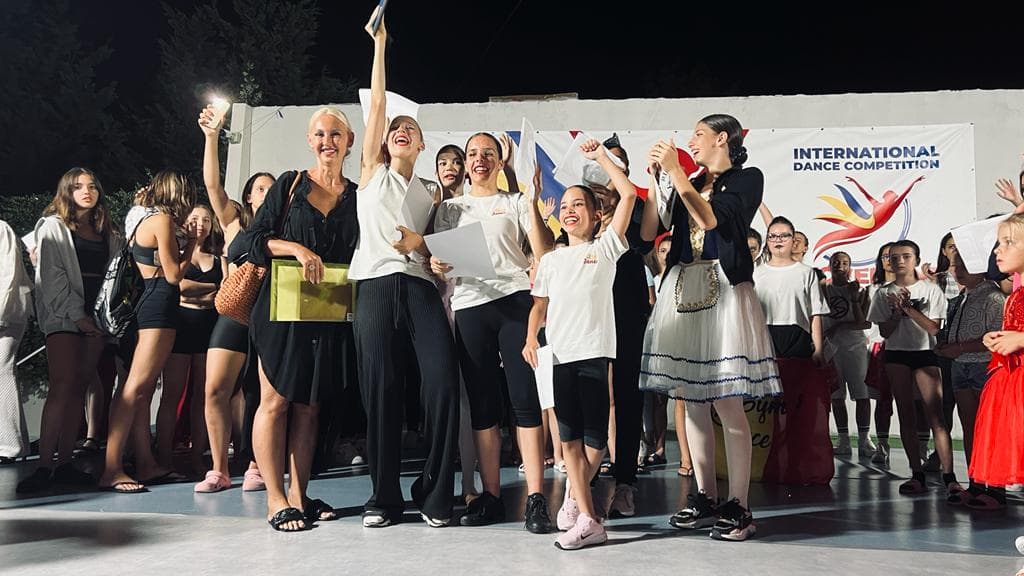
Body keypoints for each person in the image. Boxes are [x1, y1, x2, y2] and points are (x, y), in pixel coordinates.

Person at [639, 114, 780, 542]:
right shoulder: (691, 181)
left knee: (727, 400)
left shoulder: (747, 178)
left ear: (722, 137)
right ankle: (704, 495)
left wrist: (678, 173)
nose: (691, 141)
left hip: (724, 289)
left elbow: (711, 220)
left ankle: (739, 503)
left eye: (698, 134)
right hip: (684, 288)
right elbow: (650, 231)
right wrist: (658, 181)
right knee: (692, 400)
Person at [350, 9, 459, 528]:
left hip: (419, 289)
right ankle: (384, 498)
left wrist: (429, 251)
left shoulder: (431, 193)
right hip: (374, 286)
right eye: (396, 128)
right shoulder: (371, 172)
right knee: (381, 391)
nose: (400, 131)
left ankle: (434, 495)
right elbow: (377, 105)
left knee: (442, 384)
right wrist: (380, 45)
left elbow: (433, 251)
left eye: (409, 130)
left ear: (421, 145)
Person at [431, 131, 553, 532]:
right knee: (483, 406)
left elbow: (542, 251)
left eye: (488, 153)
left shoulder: (515, 202)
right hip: (470, 306)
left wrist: (532, 201)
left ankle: (536, 498)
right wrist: (436, 265)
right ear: (466, 163)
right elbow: (440, 262)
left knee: (524, 400)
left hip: (513, 302)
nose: (479, 159)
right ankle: (492, 497)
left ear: (500, 162)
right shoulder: (450, 209)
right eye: (473, 153)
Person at [523, 137, 637, 550]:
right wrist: (530, 338)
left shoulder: (605, 249)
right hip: (559, 357)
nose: (570, 211)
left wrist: (601, 157)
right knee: (568, 440)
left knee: (595, 442)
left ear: (596, 214)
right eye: (566, 206)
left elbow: (628, 194)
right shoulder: (551, 260)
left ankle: (578, 500)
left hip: (593, 355)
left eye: (579, 205)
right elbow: (540, 306)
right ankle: (589, 517)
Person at [18, 168, 123, 492]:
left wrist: (100, 318)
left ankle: (64, 462)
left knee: (79, 387)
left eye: (92, 186)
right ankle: (43, 465)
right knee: (61, 386)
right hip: (65, 318)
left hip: (96, 317)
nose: (87, 191)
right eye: (78, 186)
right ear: (67, 191)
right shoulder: (53, 227)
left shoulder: (107, 231)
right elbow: (52, 277)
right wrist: (78, 317)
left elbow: (115, 272)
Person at [97, 170, 197, 493]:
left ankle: (145, 463)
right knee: (136, 388)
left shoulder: (140, 218)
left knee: (138, 389)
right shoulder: (162, 221)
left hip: (142, 305)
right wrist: (192, 245)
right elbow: (173, 274)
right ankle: (112, 468)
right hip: (157, 306)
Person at [194, 104, 275, 493]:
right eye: (260, 187)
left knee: (259, 394)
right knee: (215, 390)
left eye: (272, 188)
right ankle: (219, 469)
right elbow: (213, 187)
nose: (266, 192)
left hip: (268, 317)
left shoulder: (286, 230)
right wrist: (212, 137)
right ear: (248, 196)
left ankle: (257, 465)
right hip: (233, 315)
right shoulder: (234, 224)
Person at [866, 240, 958, 497]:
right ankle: (916, 473)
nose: (900, 261)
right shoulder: (883, 293)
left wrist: (907, 308)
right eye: (894, 257)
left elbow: (934, 328)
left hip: (925, 354)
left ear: (916, 259)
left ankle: (949, 476)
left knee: (936, 417)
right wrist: (896, 313)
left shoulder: (930, 290)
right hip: (897, 354)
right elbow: (885, 331)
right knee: (905, 414)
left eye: (906, 256)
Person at [156, 204, 224, 474]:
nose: (201, 223)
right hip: (181, 324)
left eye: (206, 219)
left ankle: (198, 456)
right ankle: (163, 457)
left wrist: (207, 291)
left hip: (209, 326)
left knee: (203, 395)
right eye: (195, 218)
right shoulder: (176, 253)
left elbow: (225, 292)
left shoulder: (218, 257)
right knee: (172, 393)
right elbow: (180, 287)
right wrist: (211, 288)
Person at [937, 251, 1005, 507]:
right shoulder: (963, 296)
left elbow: (998, 338)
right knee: (970, 427)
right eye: (956, 265)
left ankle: (996, 489)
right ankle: (976, 483)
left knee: (990, 429)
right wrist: (950, 347)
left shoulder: (994, 296)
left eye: (965, 265)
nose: (958, 271)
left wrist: (961, 347)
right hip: (960, 365)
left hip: (984, 366)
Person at [823, 251, 875, 456]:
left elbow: (865, 323)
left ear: (850, 267)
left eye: (845, 262)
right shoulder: (823, 289)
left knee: (862, 395)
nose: (840, 266)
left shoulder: (860, 290)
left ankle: (864, 440)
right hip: (831, 349)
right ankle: (843, 440)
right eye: (836, 262)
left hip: (855, 348)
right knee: (836, 397)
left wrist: (841, 325)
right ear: (830, 266)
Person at [0, 219, 32, 465]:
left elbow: (8, 275)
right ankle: (15, 443)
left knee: (2, 370)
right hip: (8, 312)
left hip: (8, 313)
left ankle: (9, 445)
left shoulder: (1, 229)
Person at [865, 242, 897, 463]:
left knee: (914, 403)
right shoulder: (872, 289)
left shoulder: (916, 287)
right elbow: (867, 323)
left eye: (894, 256)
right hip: (880, 348)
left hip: (909, 347)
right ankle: (882, 446)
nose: (889, 260)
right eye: (885, 256)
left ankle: (921, 449)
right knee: (882, 401)